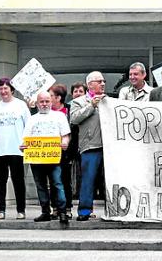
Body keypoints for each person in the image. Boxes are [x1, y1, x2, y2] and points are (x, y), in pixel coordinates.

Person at [22, 91, 71, 224]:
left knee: (57, 183)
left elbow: (66, 134)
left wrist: (65, 142)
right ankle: (45, 212)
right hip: (36, 158)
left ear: (51, 102)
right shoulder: (32, 119)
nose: (44, 104)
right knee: (40, 185)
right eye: (41, 102)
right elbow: (26, 139)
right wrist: (23, 147)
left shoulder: (60, 116)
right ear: (37, 103)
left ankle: (62, 212)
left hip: (54, 157)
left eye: (47, 101)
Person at [0, 77, 31, 220]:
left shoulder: (21, 105)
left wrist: (26, 143)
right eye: (0, 89)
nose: (3, 91)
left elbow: (29, 127)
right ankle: (1, 210)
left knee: (18, 181)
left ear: (12, 89)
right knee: (0, 181)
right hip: (0, 150)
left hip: (17, 149)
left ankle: (21, 210)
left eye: (6, 88)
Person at [70, 71, 106, 221]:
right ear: (90, 85)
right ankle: (84, 211)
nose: (103, 84)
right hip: (90, 145)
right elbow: (74, 118)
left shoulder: (108, 100)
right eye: (99, 81)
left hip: (109, 146)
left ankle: (112, 210)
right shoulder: (79, 101)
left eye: (104, 81)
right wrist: (91, 105)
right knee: (88, 179)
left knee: (109, 180)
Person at [48, 84, 77, 219]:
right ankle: (55, 207)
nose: (48, 99)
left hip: (66, 151)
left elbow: (74, 131)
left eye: (51, 96)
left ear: (58, 98)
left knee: (65, 180)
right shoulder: (46, 111)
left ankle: (67, 207)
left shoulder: (69, 110)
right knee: (53, 181)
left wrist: (70, 147)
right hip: (50, 150)